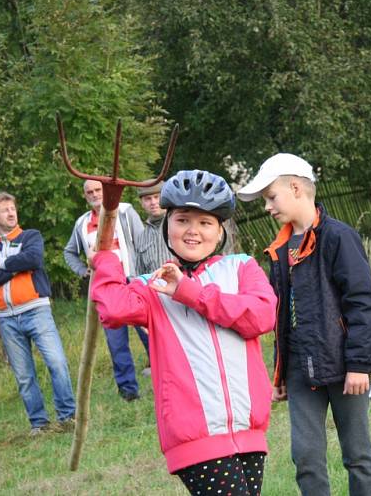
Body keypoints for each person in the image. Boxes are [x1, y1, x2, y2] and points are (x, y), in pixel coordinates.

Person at [91, 170, 276, 495]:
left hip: (250, 431)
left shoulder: (241, 267)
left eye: (205, 223)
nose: (193, 231)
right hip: (196, 441)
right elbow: (114, 309)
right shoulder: (153, 285)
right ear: (167, 226)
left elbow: (260, 316)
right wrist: (107, 260)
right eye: (183, 220)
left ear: (220, 232)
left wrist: (190, 292)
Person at [238, 153, 371, 496]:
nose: (268, 207)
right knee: (305, 457)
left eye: (271, 197)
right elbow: (282, 315)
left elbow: (362, 303)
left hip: (345, 366)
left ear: (296, 188)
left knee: (357, 455)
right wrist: (280, 373)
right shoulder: (278, 248)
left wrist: (359, 364)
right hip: (300, 369)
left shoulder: (339, 237)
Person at [0, 192, 76, 435]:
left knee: (57, 363)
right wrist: (15, 267)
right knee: (24, 376)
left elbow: (33, 258)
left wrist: (1, 265)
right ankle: (38, 424)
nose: (11, 213)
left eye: (12, 208)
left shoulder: (30, 236)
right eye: (4, 210)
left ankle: (68, 417)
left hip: (36, 310)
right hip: (6, 318)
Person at [64, 179, 149, 400]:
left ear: (106, 191)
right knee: (116, 341)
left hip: (132, 280)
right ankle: (128, 391)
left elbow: (142, 242)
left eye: (98, 190)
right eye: (89, 192)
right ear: (85, 196)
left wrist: (145, 274)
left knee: (150, 332)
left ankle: (167, 376)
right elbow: (69, 252)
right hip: (107, 288)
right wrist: (83, 271)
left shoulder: (125, 211)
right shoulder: (82, 223)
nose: (94, 194)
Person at [135, 181, 173, 275]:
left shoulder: (179, 225)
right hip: (153, 288)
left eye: (157, 197)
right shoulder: (141, 237)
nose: (153, 202)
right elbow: (140, 274)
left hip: (181, 287)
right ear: (142, 203)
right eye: (148, 199)